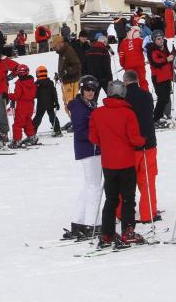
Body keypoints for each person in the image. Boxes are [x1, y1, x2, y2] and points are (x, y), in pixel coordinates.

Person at [88, 79, 146, 248]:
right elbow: (134, 139)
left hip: (108, 163)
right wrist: (143, 141)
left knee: (111, 199)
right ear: (123, 93)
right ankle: (128, 232)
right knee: (128, 199)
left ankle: (107, 234)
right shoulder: (128, 113)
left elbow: (93, 138)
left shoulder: (97, 113)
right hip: (126, 162)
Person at [64, 75, 102, 240]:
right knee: (94, 187)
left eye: (93, 89)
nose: (90, 92)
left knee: (89, 185)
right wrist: (99, 137)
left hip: (91, 150)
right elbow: (80, 131)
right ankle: (91, 223)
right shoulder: (80, 107)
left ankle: (79, 221)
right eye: (87, 89)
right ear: (81, 89)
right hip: (89, 150)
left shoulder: (89, 105)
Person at [122, 70, 159, 225]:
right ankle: (148, 213)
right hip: (147, 143)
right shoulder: (146, 96)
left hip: (128, 146)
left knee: (125, 181)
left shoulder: (123, 98)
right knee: (147, 180)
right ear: (137, 80)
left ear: (125, 82)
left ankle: (121, 212)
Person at [146, 31, 175, 123]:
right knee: (162, 99)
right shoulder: (152, 49)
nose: (161, 40)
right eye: (158, 39)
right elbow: (155, 62)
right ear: (154, 40)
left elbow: (170, 58)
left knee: (166, 98)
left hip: (166, 77)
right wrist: (166, 59)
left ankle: (161, 116)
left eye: (162, 38)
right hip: (158, 78)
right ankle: (155, 118)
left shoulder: (164, 47)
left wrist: (173, 53)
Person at [0, 48, 19, 141]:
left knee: (1, 113)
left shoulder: (4, 61)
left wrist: (10, 77)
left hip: (1, 92)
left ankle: (4, 133)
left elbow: (18, 68)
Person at [53, 34, 82, 113]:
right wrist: (59, 75)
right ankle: (73, 120)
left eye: (55, 46)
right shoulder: (61, 52)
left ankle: (76, 121)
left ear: (60, 43)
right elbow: (64, 67)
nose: (55, 48)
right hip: (66, 82)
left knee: (71, 104)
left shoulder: (69, 51)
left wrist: (66, 71)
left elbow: (77, 66)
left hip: (72, 82)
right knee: (67, 104)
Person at [33, 66, 62, 137]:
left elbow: (35, 95)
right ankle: (57, 130)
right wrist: (56, 102)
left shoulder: (36, 84)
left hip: (41, 104)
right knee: (52, 116)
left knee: (38, 117)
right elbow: (54, 93)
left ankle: (32, 132)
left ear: (38, 73)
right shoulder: (50, 82)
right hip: (50, 103)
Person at [118, 25, 148, 92]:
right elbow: (147, 50)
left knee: (130, 82)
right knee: (142, 81)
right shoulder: (141, 41)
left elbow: (121, 55)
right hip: (140, 64)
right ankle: (145, 95)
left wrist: (123, 65)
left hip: (128, 66)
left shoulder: (123, 42)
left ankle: (131, 97)